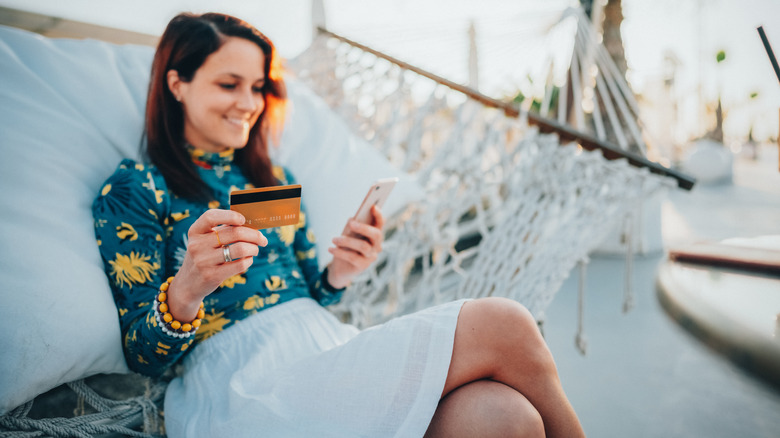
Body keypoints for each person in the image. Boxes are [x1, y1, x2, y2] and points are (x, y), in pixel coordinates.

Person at [92, 12, 585, 438]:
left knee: (505, 417)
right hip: (240, 383)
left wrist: (340, 273)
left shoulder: (274, 178)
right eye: (228, 84)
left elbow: (311, 292)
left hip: (324, 347)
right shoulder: (135, 188)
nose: (248, 101)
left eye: (258, 86)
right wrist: (187, 289)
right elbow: (142, 355)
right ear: (177, 83)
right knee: (505, 323)